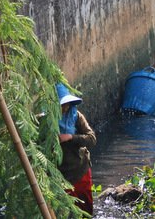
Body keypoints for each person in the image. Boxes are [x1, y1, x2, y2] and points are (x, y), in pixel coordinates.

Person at [56, 82, 97, 215]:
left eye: (67, 104)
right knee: (64, 211)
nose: (65, 108)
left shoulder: (76, 116)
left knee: (84, 208)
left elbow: (91, 139)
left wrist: (71, 137)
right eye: (62, 105)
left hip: (80, 170)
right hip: (60, 174)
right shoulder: (46, 120)